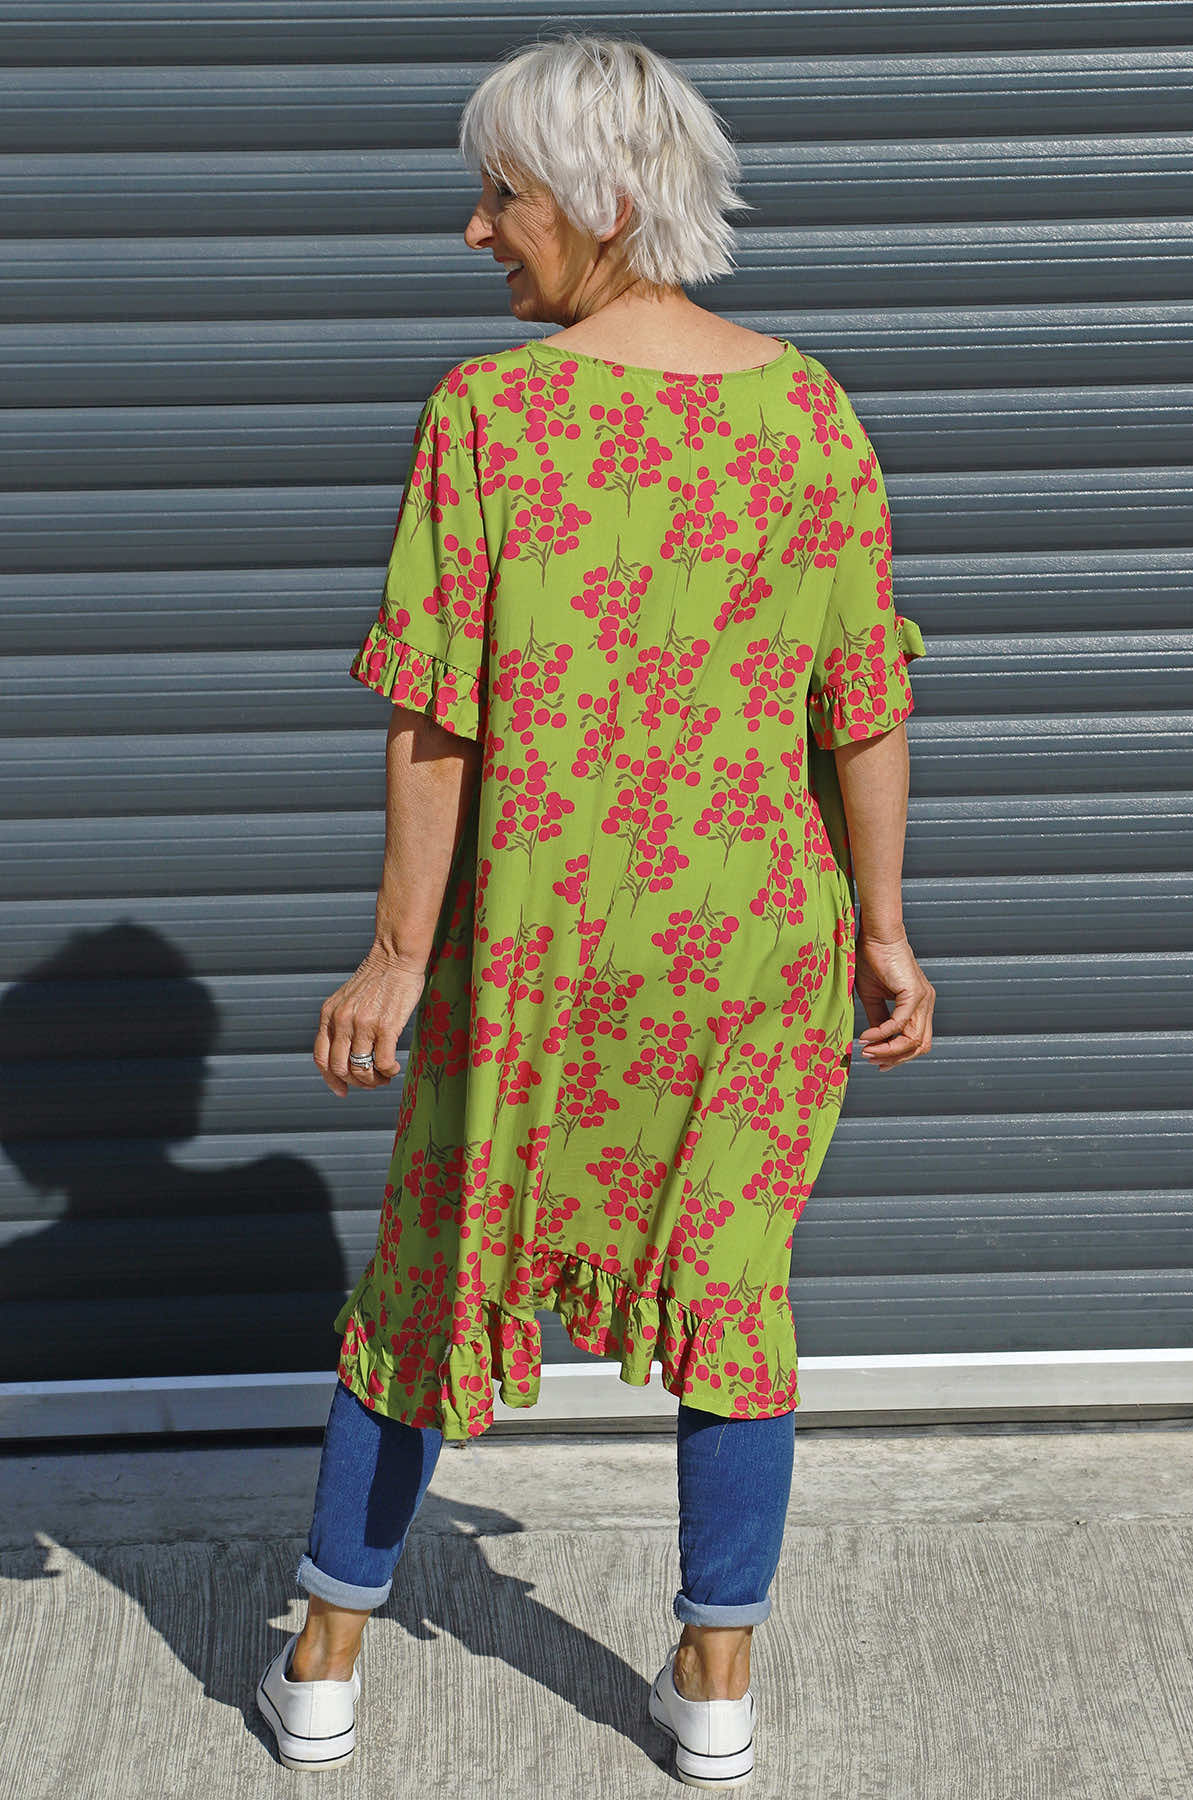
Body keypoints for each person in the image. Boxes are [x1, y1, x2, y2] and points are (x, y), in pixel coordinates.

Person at [255, 31, 935, 1789]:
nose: (478, 230)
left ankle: (324, 1664)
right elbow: (862, 701)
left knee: (432, 1272)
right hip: (751, 953)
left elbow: (437, 716)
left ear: (608, 202)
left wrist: (397, 953)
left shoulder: (492, 417)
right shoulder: (810, 414)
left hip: (536, 955)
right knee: (733, 1287)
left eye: (504, 196)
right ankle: (715, 1688)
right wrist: (882, 928)